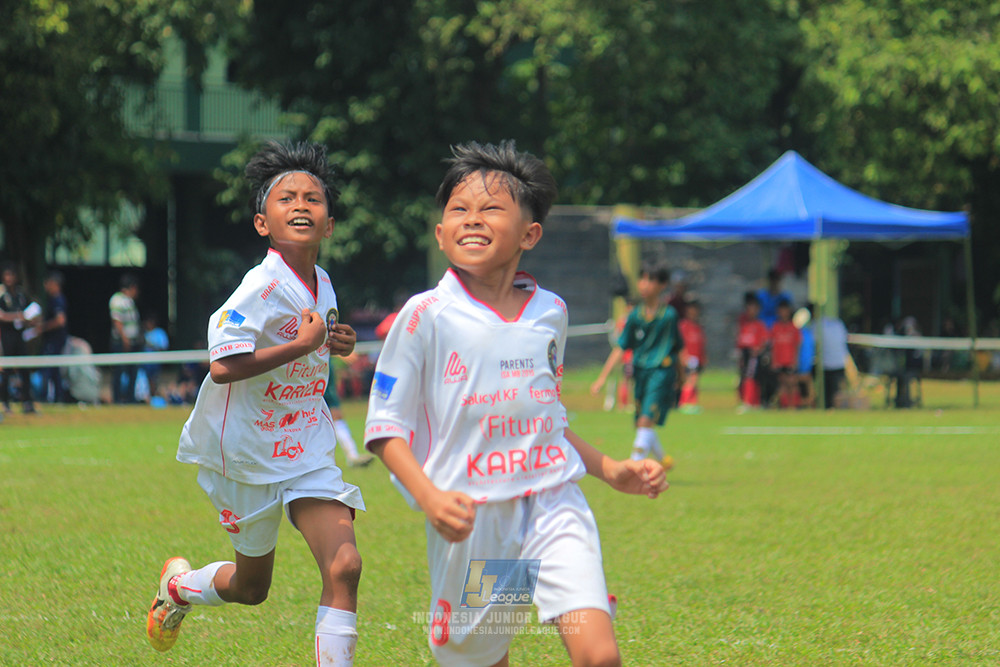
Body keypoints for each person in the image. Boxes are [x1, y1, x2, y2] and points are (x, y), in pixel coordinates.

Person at [364, 140, 668, 667]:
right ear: (440, 234)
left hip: (554, 506)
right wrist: (432, 498)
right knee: (485, 657)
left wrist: (612, 469)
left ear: (530, 233)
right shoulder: (425, 316)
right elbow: (384, 428)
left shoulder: (551, 312)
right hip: (476, 520)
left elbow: (547, 420)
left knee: (600, 656)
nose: (471, 219)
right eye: (458, 209)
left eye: (491, 209)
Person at [147, 141, 366, 667]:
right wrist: (301, 345)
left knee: (345, 567)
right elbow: (222, 364)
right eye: (286, 197)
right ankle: (179, 589)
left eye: (312, 198)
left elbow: (315, 340)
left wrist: (340, 342)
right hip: (245, 454)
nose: (300, 205)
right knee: (252, 587)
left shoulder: (324, 282)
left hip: (305, 445)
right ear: (262, 223)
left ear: (329, 224)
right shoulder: (259, 286)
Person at [592, 261, 681, 468]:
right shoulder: (635, 316)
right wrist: (602, 378)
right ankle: (663, 459)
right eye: (642, 278)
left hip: (660, 373)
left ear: (662, 285)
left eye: (650, 280)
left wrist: (682, 376)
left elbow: (678, 348)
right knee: (642, 421)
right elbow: (621, 347)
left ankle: (634, 466)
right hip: (640, 373)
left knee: (644, 421)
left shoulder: (668, 316)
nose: (644, 284)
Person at [0, 263, 37, 414]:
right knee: (6, 370)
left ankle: (27, 402)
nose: (9, 279)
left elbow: (31, 312)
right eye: (6, 275)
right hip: (6, 337)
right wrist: (17, 316)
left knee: (24, 367)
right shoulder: (2, 295)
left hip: (20, 336)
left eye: (11, 275)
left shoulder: (21, 295)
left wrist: (29, 320)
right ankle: (5, 402)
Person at [323, 362, 374, 467]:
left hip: (323, 367)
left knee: (335, 415)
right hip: (313, 369)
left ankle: (352, 455)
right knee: (333, 415)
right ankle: (352, 456)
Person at [37, 270, 70, 403]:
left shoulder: (58, 299)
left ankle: (48, 398)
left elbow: (60, 320)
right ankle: (57, 398)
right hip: (54, 340)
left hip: (55, 341)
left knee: (49, 370)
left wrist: (42, 327)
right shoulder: (54, 299)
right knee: (55, 370)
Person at [109, 273, 141, 404]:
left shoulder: (129, 301)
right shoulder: (117, 300)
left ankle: (130, 399)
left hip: (132, 342)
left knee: (132, 371)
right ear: (132, 287)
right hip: (121, 342)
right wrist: (125, 339)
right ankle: (117, 399)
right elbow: (117, 321)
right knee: (119, 371)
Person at [735, 291, 768, 410]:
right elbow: (740, 340)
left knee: (752, 377)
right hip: (745, 353)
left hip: (754, 355)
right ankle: (750, 401)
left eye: (754, 308)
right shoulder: (744, 324)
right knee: (745, 377)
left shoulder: (759, 325)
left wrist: (758, 350)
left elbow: (765, 341)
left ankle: (750, 402)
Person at [769, 298, 801, 409]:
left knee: (792, 383)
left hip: (790, 361)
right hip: (779, 361)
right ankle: (784, 405)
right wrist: (774, 361)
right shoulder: (775, 327)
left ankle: (794, 405)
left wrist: (795, 361)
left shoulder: (793, 328)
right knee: (782, 383)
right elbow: (773, 346)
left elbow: (797, 346)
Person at [677, 299, 706, 414]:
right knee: (689, 381)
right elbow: (680, 343)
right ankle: (685, 403)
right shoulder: (683, 326)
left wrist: (703, 357)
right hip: (688, 358)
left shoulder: (698, 327)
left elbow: (701, 344)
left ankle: (692, 402)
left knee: (695, 381)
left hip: (697, 358)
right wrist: (683, 356)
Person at [820, 311, 850, 409]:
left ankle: (834, 409)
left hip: (833, 363)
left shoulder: (817, 325)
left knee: (834, 391)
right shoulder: (838, 324)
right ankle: (833, 409)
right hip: (836, 362)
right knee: (833, 391)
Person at [139, 313, 169, 400]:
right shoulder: (142, 334)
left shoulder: (160, 333)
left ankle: (154, 394)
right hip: (143, 364)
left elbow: (164, 348)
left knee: (154, 379)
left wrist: (152, 346)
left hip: (155, 363)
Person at [793, 306, 816, 408]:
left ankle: (806, 404)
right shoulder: (806, 333)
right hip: (803, 365)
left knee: (803, 387)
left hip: (803, 365)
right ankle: (806, 404)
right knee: (804, 387)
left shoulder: (805, 334)